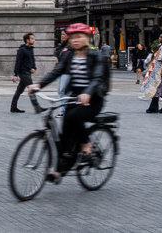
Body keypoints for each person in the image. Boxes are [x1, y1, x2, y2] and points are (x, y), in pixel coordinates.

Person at [29, 23, 108, 179]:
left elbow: (98, 78)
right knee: (64, 131)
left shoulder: (95, 55)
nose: (75, 40)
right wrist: (38, 84)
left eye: (79, 37)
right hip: (75, 96)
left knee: (74, 116)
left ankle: (86, 146)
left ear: (87, 38)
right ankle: (60, 170)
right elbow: (57, 72)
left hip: (94, 98)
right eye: (72, 38)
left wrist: (87, 93)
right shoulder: (69, 55)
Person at [11, 33, 37, 113]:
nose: (34, 40)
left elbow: (32, 60)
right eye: (32, 39)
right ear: (27, 40)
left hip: (28, 72)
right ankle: (37, 107)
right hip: (23, 72)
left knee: (19, 91)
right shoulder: (22, 50)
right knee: (31, 88)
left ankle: (13, 107)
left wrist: (34, 68)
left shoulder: (31, 49)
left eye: (33, 38)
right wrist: (16, 74)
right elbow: (18, 62)